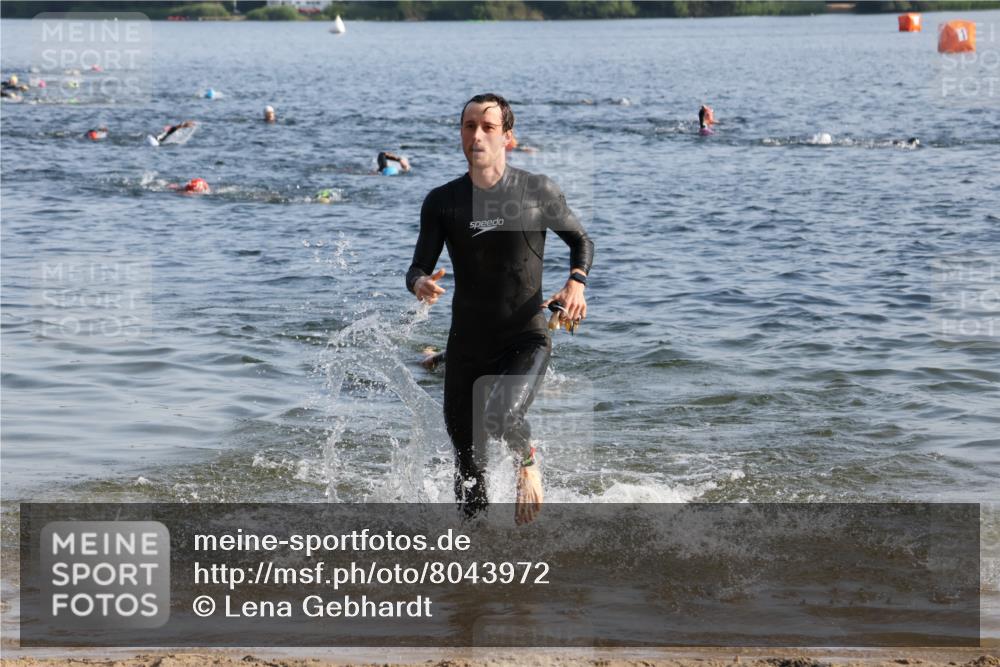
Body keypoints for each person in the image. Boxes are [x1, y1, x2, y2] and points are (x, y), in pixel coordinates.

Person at [406, 93, 594, 525]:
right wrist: (418, 282)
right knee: (468, 468)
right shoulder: (443, 202)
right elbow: (418, 265)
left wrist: (576, 283)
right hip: (468, 345)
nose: (476, 135)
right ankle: (475, 572)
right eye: (469, 126)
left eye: (488, 127)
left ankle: (528, 463)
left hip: (524, 338)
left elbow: (581, 241)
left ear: (508, 138)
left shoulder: (536, 191)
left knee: (502, 416)